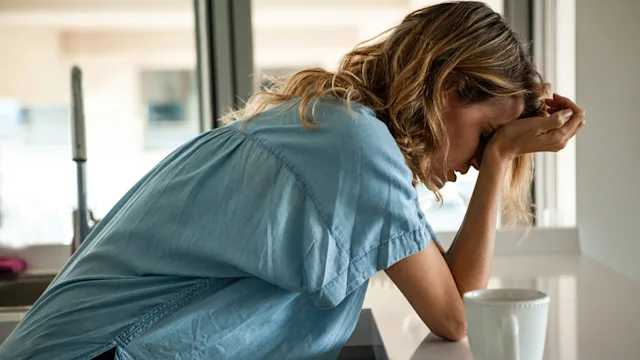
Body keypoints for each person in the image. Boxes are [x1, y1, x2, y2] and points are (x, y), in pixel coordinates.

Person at [0, 2, 584, 359]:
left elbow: (455, 296)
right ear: (450, 87)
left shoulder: (338, 127)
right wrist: (506, 155)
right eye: (485, 135)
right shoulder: (356, 146)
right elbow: (456, 315)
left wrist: (502, 143)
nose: (482, 162)